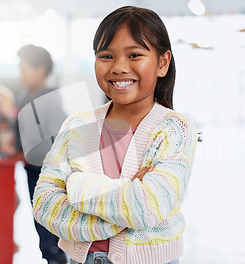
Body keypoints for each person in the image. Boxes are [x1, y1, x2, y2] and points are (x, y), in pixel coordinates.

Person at [32, 6, 198, 264]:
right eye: (106, 56)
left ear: (162, 63)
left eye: (134, 55)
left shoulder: (173, 129)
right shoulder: (77, 126)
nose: (119, 67)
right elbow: (45, 205)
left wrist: (76, 187)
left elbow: (148, 208)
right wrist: (124, 211)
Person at [15, 44, 67, 264]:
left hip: (47, 172)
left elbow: (59, 141)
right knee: (39, 221)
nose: (21, 74)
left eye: (24, 68)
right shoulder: (24, 96)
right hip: (31, 170)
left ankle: (56, 257)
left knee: (50, 225)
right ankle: (50, 256)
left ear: (41, 69)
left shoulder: (50, 100)